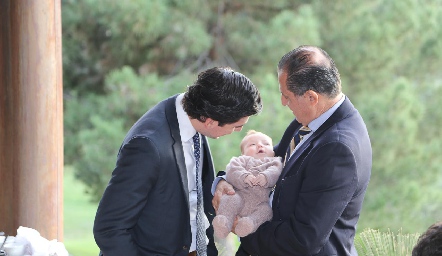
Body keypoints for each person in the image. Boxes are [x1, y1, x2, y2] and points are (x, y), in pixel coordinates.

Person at [213, 45, 372, 256]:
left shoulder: (338, 149)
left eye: (286, 96)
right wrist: (223, 181)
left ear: (311, 97)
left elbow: (302, 240)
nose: (283, 102)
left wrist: (241, 228)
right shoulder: (311, 119)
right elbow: (265, 161)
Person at [93, 66, 262, 256]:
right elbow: (109, 228)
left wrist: (218, 183)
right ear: (211, 121)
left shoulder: (195, 114)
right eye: (237, 126)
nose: (238, 131)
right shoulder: (147, 145)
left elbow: (187, 185)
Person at [212, 130, 282, 239]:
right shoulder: (241, 160)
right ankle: (223, 222)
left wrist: (266, 176)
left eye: (266, 144)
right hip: (240, 196)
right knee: (229, 199)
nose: (260, 145)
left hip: (260, 203)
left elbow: (276, 172)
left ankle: (248, 224)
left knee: (266, 212)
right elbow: (232, 170)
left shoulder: (275, 162)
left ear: (273, 151)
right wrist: (244, 176)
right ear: (243, 153)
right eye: (252, 144)